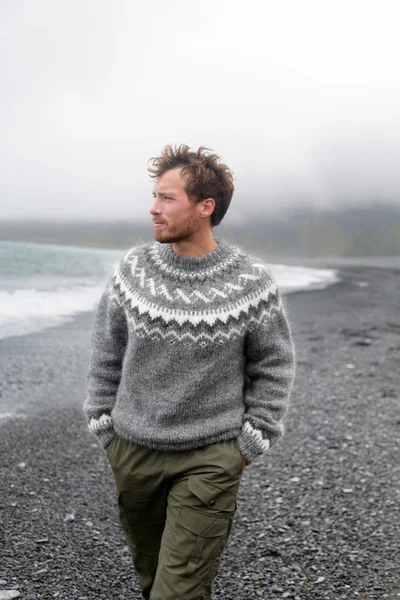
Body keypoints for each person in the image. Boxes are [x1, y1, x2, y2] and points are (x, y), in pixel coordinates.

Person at [83, 143, 296, 600]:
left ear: (205, 207)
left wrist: (251, 440)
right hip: (131, 451)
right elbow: (107, 351)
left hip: (210, 457)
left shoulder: (251, 283)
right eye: (154, 196)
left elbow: (274, 363)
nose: (153, 209)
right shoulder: (132, 270)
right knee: (151, 576)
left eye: (166, 198)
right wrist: (103, 422)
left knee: (176, 591)